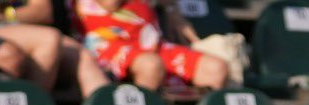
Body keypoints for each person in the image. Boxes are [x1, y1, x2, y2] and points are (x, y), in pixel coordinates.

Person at [70, 0, 227, 91]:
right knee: (151, 65)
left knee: (214, 68)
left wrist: (171, 8)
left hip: (153, 45)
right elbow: (110, 3)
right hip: (105, 45)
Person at [0, 0, 109, 96]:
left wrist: (7, 14)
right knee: (49, 39)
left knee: (82, 55)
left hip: (12, 25)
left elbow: (43, 12)